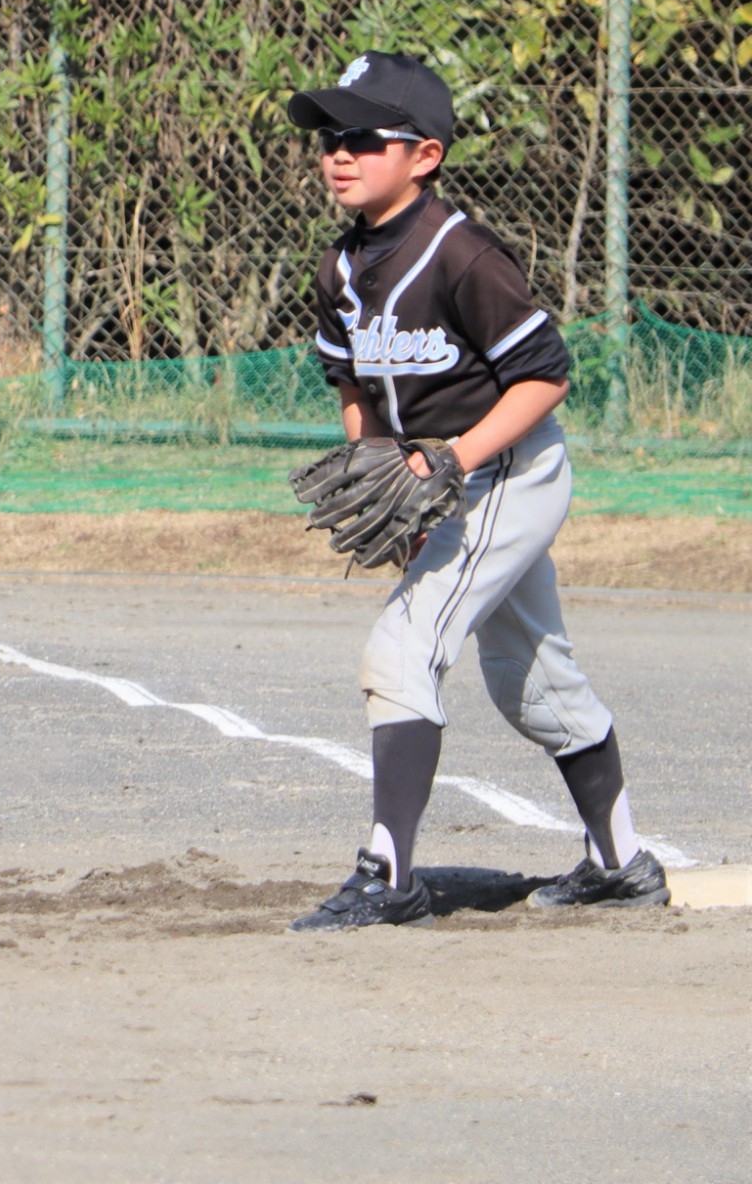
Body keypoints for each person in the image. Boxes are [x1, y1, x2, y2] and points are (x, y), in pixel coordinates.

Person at [284, 50, 667, 931]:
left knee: (402, 646)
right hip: (436, 481)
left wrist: (452, 463)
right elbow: (355, 390)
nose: (337, 152)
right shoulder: (340, 269)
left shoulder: (462, 255)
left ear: (424, 156)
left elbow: (543, 376)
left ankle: (389, 874)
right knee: (533, 681)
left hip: (507, 471)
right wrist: (378, 471)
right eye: (328, 137)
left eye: (362, 137)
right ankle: (620, 862)